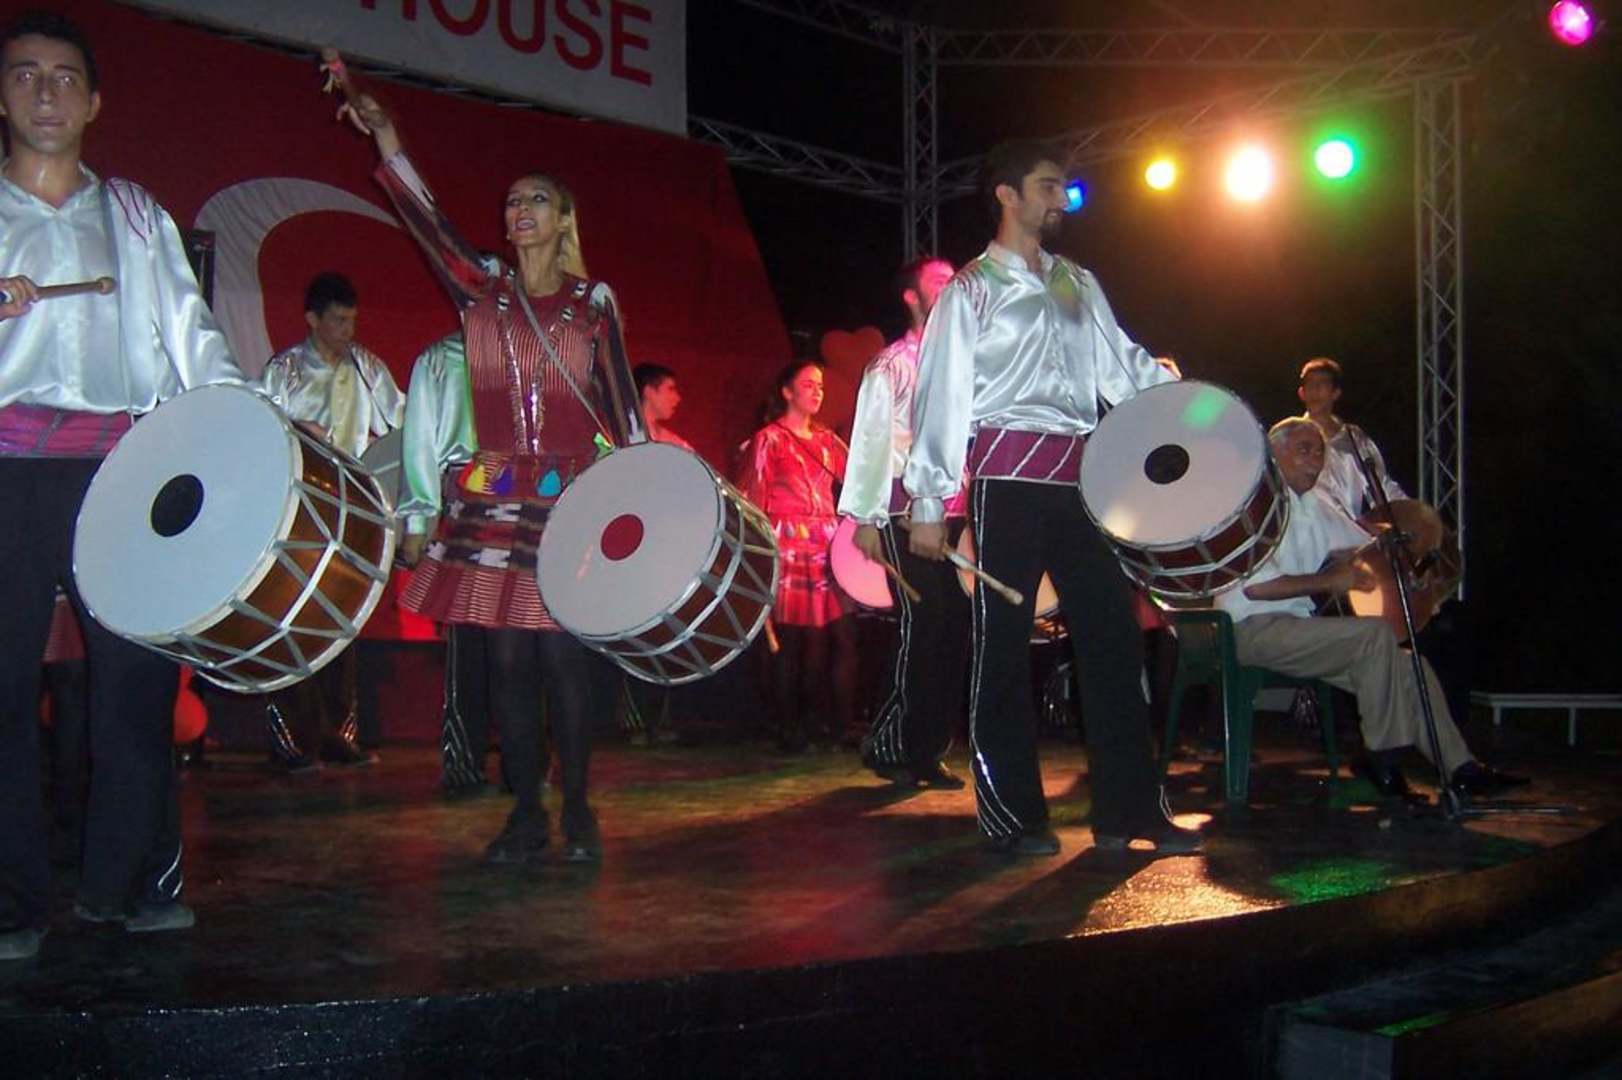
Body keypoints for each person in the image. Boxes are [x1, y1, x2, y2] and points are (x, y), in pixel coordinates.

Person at [337, 80, 642, 864]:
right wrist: (387, 138)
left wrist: (642, 495)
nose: (520, 210)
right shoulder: (483, 289)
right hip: (497, 497)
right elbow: (427, 222)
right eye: (511, 202)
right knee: (505, 659)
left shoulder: (593, 303)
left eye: (536, 199)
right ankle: (527, 811)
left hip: (571, 498)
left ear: (564, 219)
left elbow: (623, 409)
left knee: (563, 658)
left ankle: (578, 807)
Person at [0, 11, 246, 958]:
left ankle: (131, 883)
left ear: (95, 102)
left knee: (137, 685)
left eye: (65, 77)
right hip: (7, 470)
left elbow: (192, 334)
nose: (47, 93)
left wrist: (240, 427)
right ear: (2, 96)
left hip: (118, 469)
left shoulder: (136, 214)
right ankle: (12, 900)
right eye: (25, 75)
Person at [903, 139, 1199, 857]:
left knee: (1113, 637)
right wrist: (928, 502)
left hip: (1078, 481)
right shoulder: (970, 290)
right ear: (1006, 195)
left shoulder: (1076, 282)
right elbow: (942, 396)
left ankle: (1129, 812)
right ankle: (1012, 817)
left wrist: (1185, 400)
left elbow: (1121, 367)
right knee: (1002, 649)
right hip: (1005, 483)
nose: (1059, 199)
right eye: (1045, 186)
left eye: (1063, 187)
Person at [1214, 418, 1524, 799]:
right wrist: (1329, 581)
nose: (1314, 460)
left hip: (1295, 630)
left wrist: (1413, 561)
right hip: (1248, 630)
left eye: (1319, 452)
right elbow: (1257, 588)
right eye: (1303, 450)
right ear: (1273, 456)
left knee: (1412, 665)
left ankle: (1461, 768)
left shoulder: (1315, 507)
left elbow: (1371, 544)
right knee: (1375, 636)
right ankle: (1383, 760)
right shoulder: (1251, 508)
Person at [259, 270, 405, 771]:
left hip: (352, 512)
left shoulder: (367, 367)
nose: (348, 330)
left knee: (342, 621)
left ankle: (337, 735)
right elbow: (258, 425)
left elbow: (400, 422)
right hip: (297, 511)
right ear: (312, 319)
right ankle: (293, 741)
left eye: (352, 321)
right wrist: (296, 428)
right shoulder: (285, 370)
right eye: (339, 320)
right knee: (291, 619)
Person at [841, 255, 967, 789]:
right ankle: (893, 742)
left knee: (952, 625)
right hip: (905, 509)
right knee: (925, 619)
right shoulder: (891, 364)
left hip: (956, 510)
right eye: (940, 282)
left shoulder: (964, 361)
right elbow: (871, 442)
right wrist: (867, 517)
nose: (951, 288)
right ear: (911, 297)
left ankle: (926, 747)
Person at [744, 360, 857, 752]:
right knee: (792, 639)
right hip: (788, 542)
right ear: (787, 391)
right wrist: (759, 552)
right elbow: (753, 498)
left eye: (820, 386)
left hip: (827, 541)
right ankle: (789, 725)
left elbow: (858, 479)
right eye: (808, 385)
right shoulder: (769, 439)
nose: (817, 392)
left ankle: (834, 723)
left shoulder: (828, 440)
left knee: (837, 636)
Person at [1296, 356, 1407, 521]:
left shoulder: (1354, 437)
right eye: (1310, 384)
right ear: (1301, 393)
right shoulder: (1290, 438)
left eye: (1322, 383)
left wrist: (1410, 513)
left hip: (1349, 531)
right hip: (1306, 528)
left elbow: (1381, 483)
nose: (1315, 389)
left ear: (1335, 393)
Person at [633, 362, 693, 451]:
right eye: (670, 389)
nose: (677, 398)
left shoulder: (675, 444)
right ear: (649, 391)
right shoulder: (619, 437)